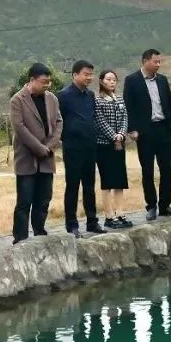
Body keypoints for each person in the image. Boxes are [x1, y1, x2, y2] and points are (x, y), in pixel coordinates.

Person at [123, 49, 171, 220]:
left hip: (163, 129)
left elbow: (169, 104)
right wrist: (132, 129)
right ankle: (151, 206)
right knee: (147, 170)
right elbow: (128, 106)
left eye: (159, 62)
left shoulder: (162, 80)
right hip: (145, 131)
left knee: (167, 170)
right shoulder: (132, 80)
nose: (158, 64)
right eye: (155, 61)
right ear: (145, 61)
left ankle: (165, 205)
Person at [10, 63, 63, 242]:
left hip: (47, 157)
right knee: (24, 201)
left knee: (44, 199)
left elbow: (59, 122)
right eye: (43, 81)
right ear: (32, 80)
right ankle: (20, 237)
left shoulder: (52, 98)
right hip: (27, 158)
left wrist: (50, 145)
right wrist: (39, 148)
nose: (47, 85)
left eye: (49, 82)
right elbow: (19, 128)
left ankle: (39, 231)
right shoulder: (18, 100)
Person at [57, 60, 106, 237]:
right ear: (75, 75)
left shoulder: (90, 95)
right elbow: (58, 121)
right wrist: (65, 138)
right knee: (72, 186)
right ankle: (72, 225)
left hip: (90, 146)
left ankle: (92, 222)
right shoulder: (63, 96)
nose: (89, 77)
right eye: (86, 74)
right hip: (72, 148)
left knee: (89, 186)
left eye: (91, 74)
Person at [93, 69, 133, 229]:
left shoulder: (120, 99)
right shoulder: (98, 100)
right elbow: (100, 121)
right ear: (101, 81)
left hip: (119, 145)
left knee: (119, 180)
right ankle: (109, 216)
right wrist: (113, 136)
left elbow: (125, 118)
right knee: (107, 181)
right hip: (104, 145)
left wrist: (121, 134)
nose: (111, 82)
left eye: (114, 80)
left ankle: (120, 212)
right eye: (108, 79)